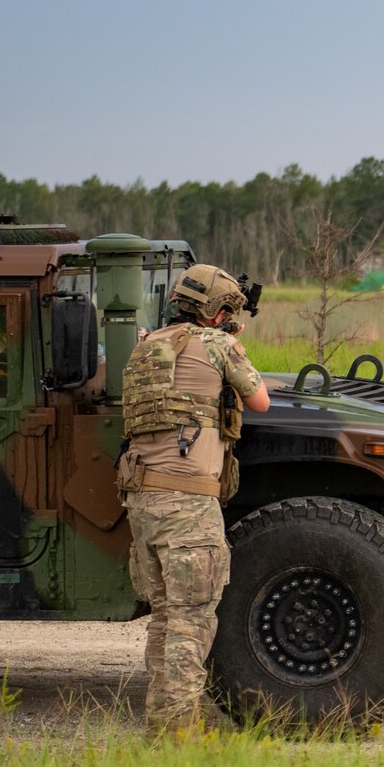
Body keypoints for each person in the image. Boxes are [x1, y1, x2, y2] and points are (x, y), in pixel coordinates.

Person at [117, 263, 271, 734]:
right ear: (218, 311)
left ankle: (161, 718)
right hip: (188, 505)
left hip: (143, 502)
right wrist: (231, 340)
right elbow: (260, 400)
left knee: (164, 618)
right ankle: (176, 731)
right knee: (191, 621)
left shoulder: (144, 346)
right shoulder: (219, 345)